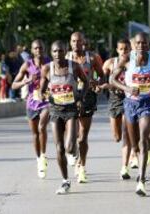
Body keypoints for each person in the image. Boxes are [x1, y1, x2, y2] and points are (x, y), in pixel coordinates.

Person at [110, 32, 150, 196]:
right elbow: (112, 80)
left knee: (144, 140)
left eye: (144, 43)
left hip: (148, 103)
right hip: (130, 104)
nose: (141, 46)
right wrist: (127, 88)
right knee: (135, 143)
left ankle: (141, 179)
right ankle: (140, 160)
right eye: (138, 43)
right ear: (134, 45)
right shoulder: (127, 59)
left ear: (149, 44)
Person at [39, 40, 88, 194]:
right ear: (51, 53)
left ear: (65, 51)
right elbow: (41, 89)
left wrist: (80, 97)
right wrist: (42, 95)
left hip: (71, 110)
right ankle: (65, 181)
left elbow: (85, 82)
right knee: (59, 148)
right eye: (54, 51)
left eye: (60, 51)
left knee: (70, 147)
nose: (58, 54)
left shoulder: (74, 66)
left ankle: (76, 152)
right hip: (55, 110)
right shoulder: (47, 68)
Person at [66, 32, 104, 183]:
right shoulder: (66, 58)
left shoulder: (92, 58)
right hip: (69, 99)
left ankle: (81, 166)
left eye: (79, 41)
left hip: (87, 98)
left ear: (84, 42)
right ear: (70, 43)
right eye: (73, 41)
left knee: (83, 136)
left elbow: (102, 75)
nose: (76, 44)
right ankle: (72, 153)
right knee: (72, 134)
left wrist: (97, 82)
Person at [12, 40, 51, 179]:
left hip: (46, 101)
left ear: (44, 48)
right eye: (35, 48)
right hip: (32, 102)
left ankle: (44, 155)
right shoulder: (27, 65)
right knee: (35, 134)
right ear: (32, 50)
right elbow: (13, 85)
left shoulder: (49, 63)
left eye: (40, 47)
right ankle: (39, 159)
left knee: (42, 128)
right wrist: (26, 81)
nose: (38, 50)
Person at [101, 38, 132, 180]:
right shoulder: (110, 63)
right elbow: (100, 77)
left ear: (130, 49)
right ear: (117, 50)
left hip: (129, 98)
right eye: (121, 49)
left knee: (127, 133)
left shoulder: (134, 63)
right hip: (114, 99)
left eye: (126, 49)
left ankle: (124, 167)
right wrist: (99, 84)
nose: (124, 51)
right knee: (117, 137)